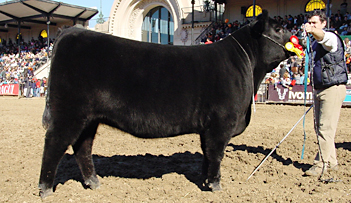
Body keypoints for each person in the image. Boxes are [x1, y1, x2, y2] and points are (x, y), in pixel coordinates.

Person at [304, 10, 348, 176]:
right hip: (320, 87)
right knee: (321, 128)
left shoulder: (330, 37)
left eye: (315, 22)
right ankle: (332, 161)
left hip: (332, 87)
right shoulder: (315, 42)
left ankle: (320, 164)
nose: (312, 25)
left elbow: (322, 37)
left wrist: (312, 30)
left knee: (325, 128)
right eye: (310, 22)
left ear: (323, 23)